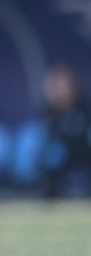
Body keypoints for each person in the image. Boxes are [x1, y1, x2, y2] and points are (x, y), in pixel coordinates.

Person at [37, 62, 91, 198]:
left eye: (60, 84)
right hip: (59, 172)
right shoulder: (47, 115)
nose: (55, 89)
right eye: (52, 85)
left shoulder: (85, 111)